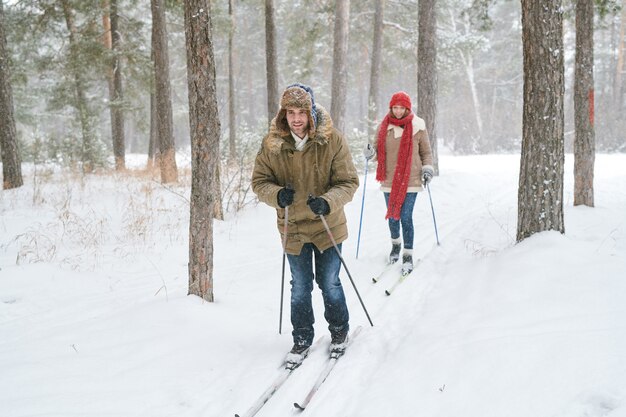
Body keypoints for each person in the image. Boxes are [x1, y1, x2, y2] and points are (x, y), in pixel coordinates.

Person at [252, 83, 359, 369]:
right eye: (291, 112)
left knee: (329, 282)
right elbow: (259, 181)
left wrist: (327, 201)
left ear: (311, 112)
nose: (296, 118)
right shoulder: (272, 144)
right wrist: (276, 195)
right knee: (300, 287)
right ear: (283, 114)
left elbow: (348, 182)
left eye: (301, 111)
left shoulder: (332, 140)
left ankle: (339, 330)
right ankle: (301, 337)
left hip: (327, 226)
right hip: (293, 227)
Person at [363, 91, 434, 275]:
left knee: (405, 216)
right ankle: (395, 245)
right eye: (395, 107)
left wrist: (427, 168)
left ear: (407, 108)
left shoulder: (418, 126)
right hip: (389, 179)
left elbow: (426, 152)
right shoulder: (383, 127)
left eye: (402, 107)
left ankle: (408, 254)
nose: (399, 111)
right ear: (391, 108)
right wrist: (370, 154)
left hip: (411, 178)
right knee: (393, 216)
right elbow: (377, 152)